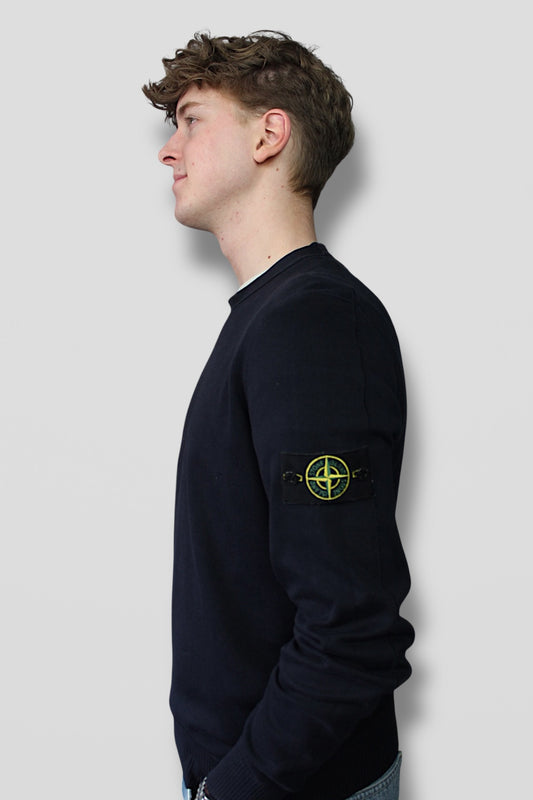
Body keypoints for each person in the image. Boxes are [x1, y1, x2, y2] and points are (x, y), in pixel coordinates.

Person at [142, 31, 414, 800]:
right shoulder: (270, 318)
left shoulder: (311, 324)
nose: (167, 150)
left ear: (268, 135)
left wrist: (233, 788)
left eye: (192, 120)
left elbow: (350, 631)